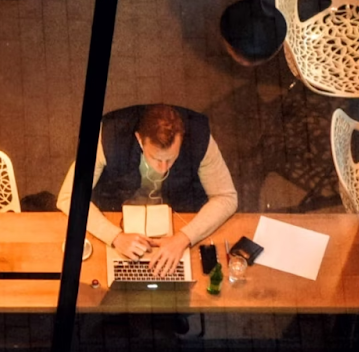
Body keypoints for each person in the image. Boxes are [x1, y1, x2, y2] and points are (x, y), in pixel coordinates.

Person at [56, 103, 237, 276]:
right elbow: (68, 197)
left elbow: (226, 197)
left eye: (171, 159)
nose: (163, 168)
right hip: (118, 209)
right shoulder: (108, 136)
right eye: (156, 158)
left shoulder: (200, 137)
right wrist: (115, 237)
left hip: (178, 212)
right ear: (139, 140)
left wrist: (183, 239)